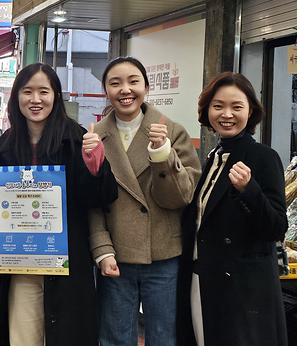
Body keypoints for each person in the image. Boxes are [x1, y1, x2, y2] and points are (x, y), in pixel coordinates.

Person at [0, 63, 118, 346]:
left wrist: (95, 166)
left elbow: (98, 198)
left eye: (43, 91)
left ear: (56, 97)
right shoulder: (8, 142)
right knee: (22, 337)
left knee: (68, 336)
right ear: (16, 98)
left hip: (66, 261)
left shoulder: (76, 139)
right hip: (20, 263)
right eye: (27, 92)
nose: (36, 100)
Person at [89, 56, 201, 346]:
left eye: (133, 81)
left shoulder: (171, 131)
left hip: (163, 254)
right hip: (115, 255)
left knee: (165, 337)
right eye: (115, 83)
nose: (125, 90)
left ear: (146, 87)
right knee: (113, 338)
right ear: (106, 91)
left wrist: (162, 154)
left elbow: (182, 198)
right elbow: (91, 200)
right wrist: (102, 250)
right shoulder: (94, 137)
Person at [177, 72, 288, 346]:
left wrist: (249, 191)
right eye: (218, 106)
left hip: (242, 288)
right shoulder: (214, 156)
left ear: (250, 111)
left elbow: (276, 226)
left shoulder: (263, 156)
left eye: (236, 107)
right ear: (207, 111)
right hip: (202, 277)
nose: (227, 114)